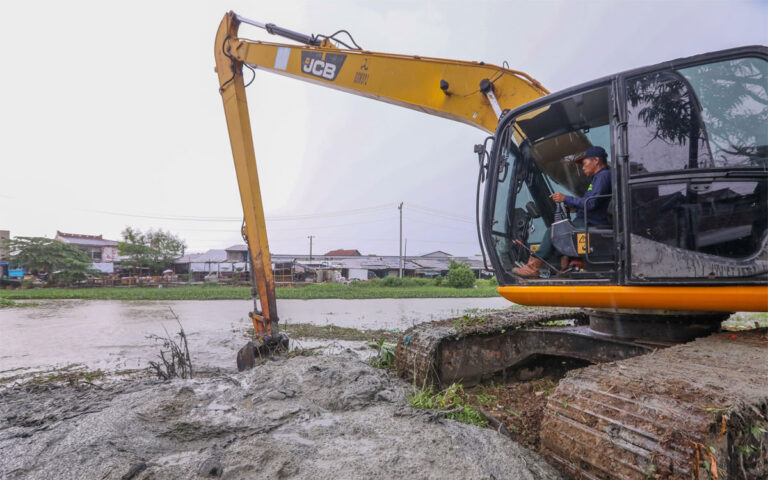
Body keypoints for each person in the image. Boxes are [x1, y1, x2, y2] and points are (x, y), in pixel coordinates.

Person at [514, 145, 612, 277]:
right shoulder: (599, 178)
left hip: (592, 222)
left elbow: (592, 203)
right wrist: (574, 208)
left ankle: (533, 267)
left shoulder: (603, 176)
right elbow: (593, 202)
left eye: (584, 163)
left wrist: (566, 198)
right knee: (562, 232)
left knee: (555, 231)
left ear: (596, 160)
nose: (582, 167)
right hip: (590, 220)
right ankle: (565, 268)